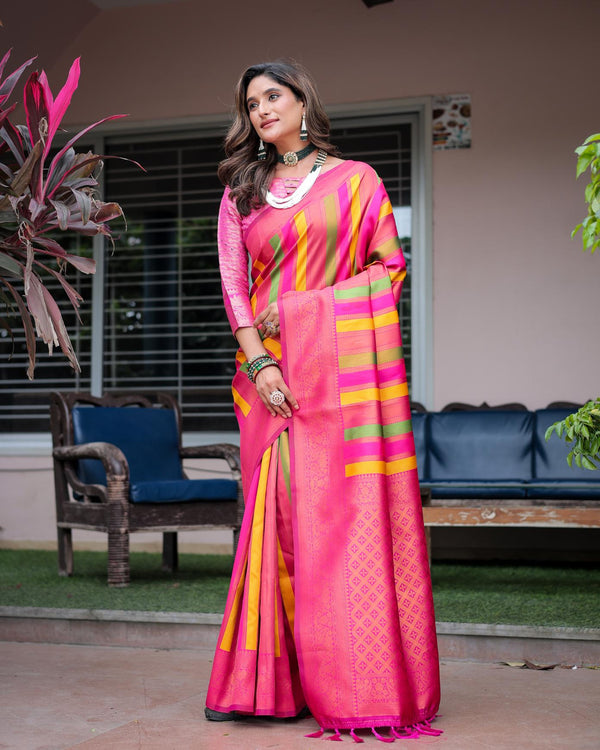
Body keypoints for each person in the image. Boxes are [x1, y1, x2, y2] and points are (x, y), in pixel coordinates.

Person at [205, 60, 441, 742]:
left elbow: (386, 271)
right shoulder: (240, 192)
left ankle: (352, 681)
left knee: (342, 528)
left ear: (302, 99)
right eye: (251, 103)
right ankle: (265, 685)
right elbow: (233, 287)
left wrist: (303, 309)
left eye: (272, 96)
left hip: (341, 384)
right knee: (273, 530)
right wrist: (261, 361)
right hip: (271, 387)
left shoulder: (356, 181)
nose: (261, 110)